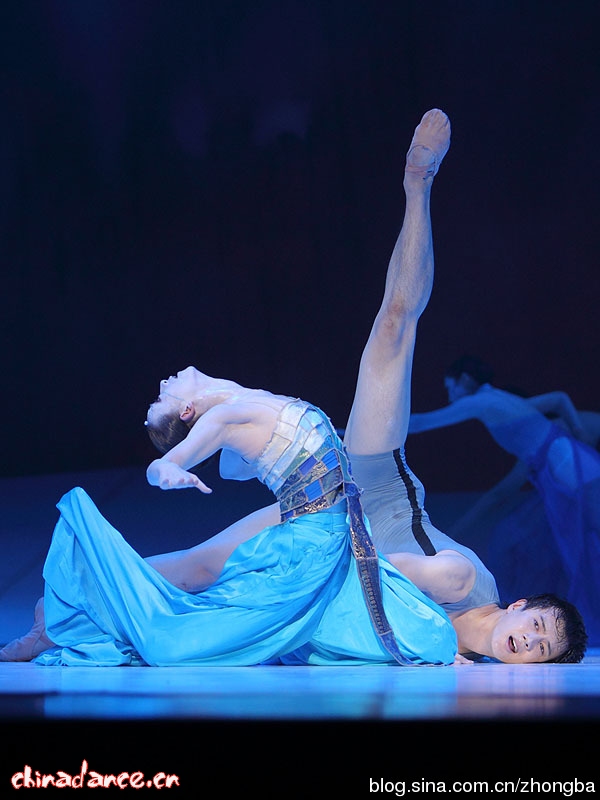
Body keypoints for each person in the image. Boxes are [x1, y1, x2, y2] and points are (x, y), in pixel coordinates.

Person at [1, 110, 587, 665]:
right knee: (392, 329)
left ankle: (54, 619)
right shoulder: (463, 582)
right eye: (538, 625)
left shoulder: (462, 659)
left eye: (541, 649)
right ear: (519, 605)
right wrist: (420, 644)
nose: (530, 641)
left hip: (320, 530)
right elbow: (366, 571)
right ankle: (419, 183)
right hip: (365, 491)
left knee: (197, 569)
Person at [408, 355, 600, 645]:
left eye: (451, 387)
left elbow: (422, 422)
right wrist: (578, 430)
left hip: (565, 465)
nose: (451, 396)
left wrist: (353, 431)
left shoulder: (481, 402)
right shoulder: (502, 399)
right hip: (567, 459)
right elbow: (559, 399)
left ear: (465, 380)